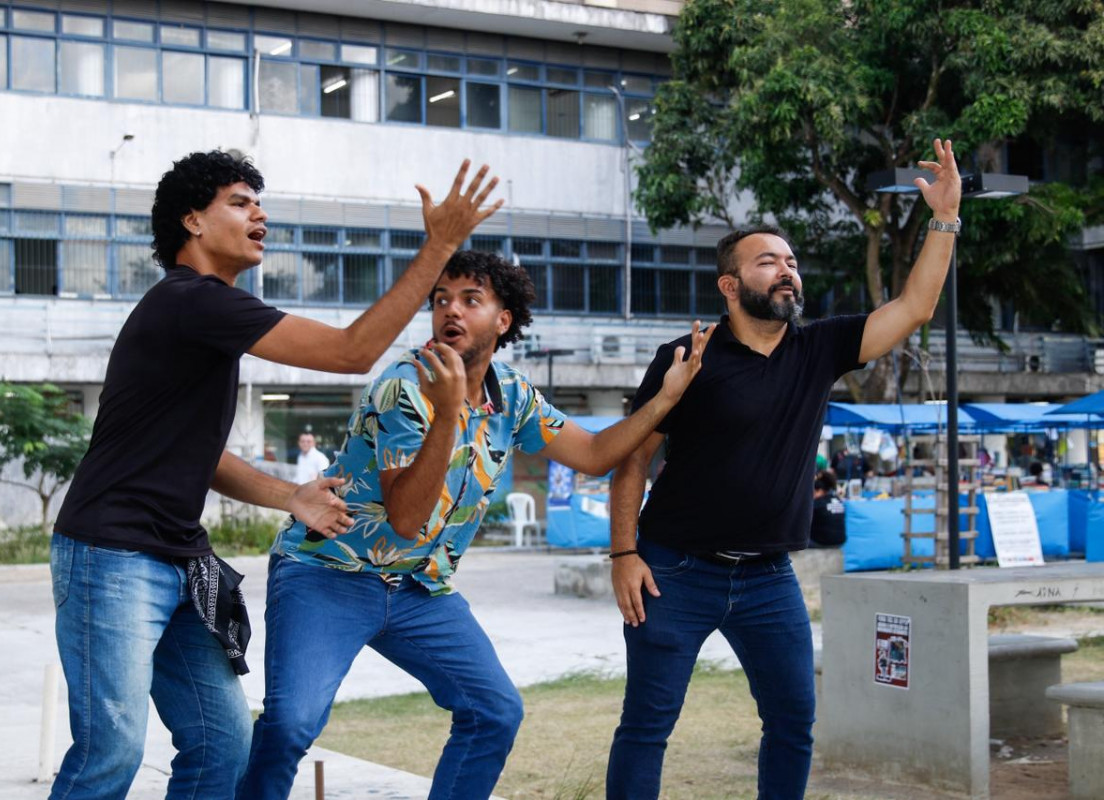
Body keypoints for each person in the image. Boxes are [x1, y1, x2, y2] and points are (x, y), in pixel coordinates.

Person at [47, 152, 503, 800]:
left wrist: (290, 495)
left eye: (259, 202)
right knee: (111, 751)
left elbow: (197, 454)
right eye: (240, 202)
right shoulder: (191, 300)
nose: (259, 214)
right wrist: (440, 246)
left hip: (178, 557)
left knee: (222, 743)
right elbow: (352, 352)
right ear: (192, 221)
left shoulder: (205, 319)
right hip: (111, 553)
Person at [237, 251, 710, 800]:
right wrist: (446, 413)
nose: (450, 311)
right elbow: (407, 519)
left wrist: (666, 398)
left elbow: (597, 454)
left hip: (419, 588)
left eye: (470, 300)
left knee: (494, 712)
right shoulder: (406, 385)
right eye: (441, 300)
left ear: (503, 320)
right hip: (328, 573)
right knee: (291, 724)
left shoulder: (512, 394)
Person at [606, 138, 963, 800]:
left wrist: (944, 218)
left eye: (791, 262)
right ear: (730, 284)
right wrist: (624, 553)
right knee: (648, 725)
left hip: (769, 577)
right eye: (768, 262)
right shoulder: (687, 356)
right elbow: (631, 456)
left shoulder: (820, 347)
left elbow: (915, 307)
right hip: (674, 571)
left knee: (794, 723)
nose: (786, 271)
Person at [809, 469, 846, 548]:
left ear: (820, 491)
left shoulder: (817, 503)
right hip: (840, 541)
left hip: (822, 542)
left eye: (813, 492)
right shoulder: (838, 500)